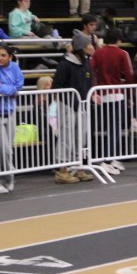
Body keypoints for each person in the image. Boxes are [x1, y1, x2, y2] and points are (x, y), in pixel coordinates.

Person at [52, 29, 95, 184]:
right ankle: (62, 171)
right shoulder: (65, 64)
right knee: (66, 138)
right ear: (81, 47)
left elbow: (88, 83)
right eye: (89, 44)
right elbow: (56, 86)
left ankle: (78, 167)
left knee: (81, 138)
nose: (92, 47)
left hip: (82, 105)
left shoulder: (86, 63)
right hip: (67, 106)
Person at [91, 27, 133, 175]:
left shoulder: (98, 53)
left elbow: (92, 71)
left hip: (102, 94)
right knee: (114, 129)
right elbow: (128, 74)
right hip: (117, 94)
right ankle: (107, 160)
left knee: (110, 128)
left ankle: (112, 158)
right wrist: (130, 93)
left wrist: (94, 89)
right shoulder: (122, 53)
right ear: (119, 39)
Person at [0, 44, 24, 194]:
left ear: (10, 57)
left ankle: (1, 180)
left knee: (6, 150)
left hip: (11, 113)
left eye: (3, 55)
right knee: (3, 150)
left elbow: (20, 84)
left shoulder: (15, 67)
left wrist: (6, 87)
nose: (0, 58)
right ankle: (5, 179)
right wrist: (11, 89)